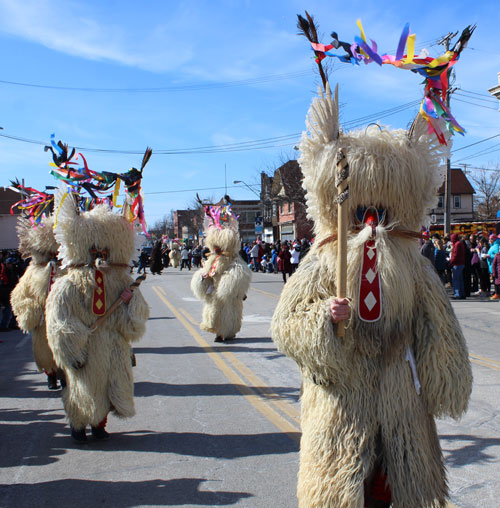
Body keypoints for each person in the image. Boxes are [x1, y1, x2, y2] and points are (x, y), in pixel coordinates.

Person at [46, 192, 149, 442]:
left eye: (104, 248)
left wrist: (130, 301)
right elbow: (59, 320)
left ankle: (99, 424)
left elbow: (136, 319)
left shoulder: (120, 281)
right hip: (86, 347)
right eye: (95, 249)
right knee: (83, 388)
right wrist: (72, 349)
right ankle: (79, 424)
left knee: (109, 386)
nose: (100, 254)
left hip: (113, 345)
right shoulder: (68, 284)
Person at [190, 202, 251, 343]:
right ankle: (218, 332)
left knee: (230, 310)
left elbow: (240, 271)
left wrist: (230, 284)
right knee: (215, 309)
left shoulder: (233, 258)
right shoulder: (212, 259)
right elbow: (206, 272)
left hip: (227, 291)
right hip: (215, 289)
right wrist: (203, 279)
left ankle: (228, 332)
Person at [449, 233, 465, 299]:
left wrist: (451, 262)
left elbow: (455, 255)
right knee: (460, 279)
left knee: (456, 280)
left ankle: (457, 294)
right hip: (461, 263)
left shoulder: (457, 244)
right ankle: (462, 294)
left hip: (457, 264)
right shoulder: (460, 243)